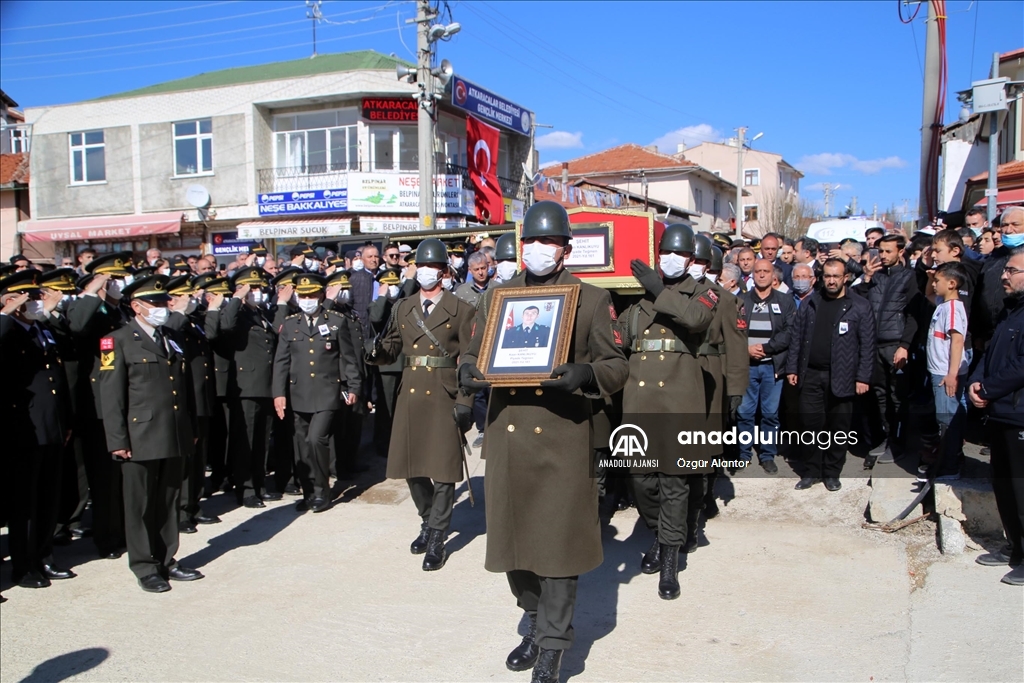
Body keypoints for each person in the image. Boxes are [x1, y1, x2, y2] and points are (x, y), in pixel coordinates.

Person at [459, 202, 628, 683]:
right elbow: (471, 353)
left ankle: (554, 642)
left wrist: (586, 373)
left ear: (566, 249)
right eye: (530, 240)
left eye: (548, 241)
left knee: (556, 547)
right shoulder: (498, 297)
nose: (537, 249)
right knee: (514, 544)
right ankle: (532, 618)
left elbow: (617, 366)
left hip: (561, 438)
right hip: (507, 436)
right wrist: (468, 371)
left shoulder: (591, 299)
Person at [619, 224, 720, 600]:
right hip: (641, 401)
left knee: (675, 482)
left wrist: (659, 290)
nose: (671, 260)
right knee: (641, 480)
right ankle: (662, 534)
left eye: (680, 254)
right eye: (665, 253)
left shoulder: (704, 293)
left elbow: (697, 321)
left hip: (679, 401)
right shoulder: (638, 293)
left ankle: (669, 560)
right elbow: (622, 336)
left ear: (692, 259)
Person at [367, 239, 475, 571]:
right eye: (421, 265)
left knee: (443, 472)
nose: (425, 271)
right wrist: (376, 352)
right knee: (412, 467)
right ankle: (428, 520)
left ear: (443, 272)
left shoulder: (462, 310)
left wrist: (466, 401)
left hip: (443, 393)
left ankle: (438, 537)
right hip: (411, 392)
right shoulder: (403, 306)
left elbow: (470, 360)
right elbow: (393, 347)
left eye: (432, 266)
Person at [98, 274, 203, 593]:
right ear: (136, 306)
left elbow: (183, 388)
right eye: (155, 303)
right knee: (140, 503)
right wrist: (117, 440)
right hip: (138, 435)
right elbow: (111, 395)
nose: (163, 307)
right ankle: (144, 565)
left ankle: (167, 558)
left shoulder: (170, 336)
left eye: (163, 301)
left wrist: (191, 427)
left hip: (172, 432)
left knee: (169, 499)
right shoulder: (114, 341)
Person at [1, 269, 76, 588]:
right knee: (25, 503)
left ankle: (44, 555)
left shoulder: (42, 329)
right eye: (29, 297)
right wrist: (4, 313)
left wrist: (67, 420)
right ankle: (24, 565)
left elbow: (59, 378)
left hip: (53, 424)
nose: (37, 301)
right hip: (24, 427)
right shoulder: (8, 330)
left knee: (49, 497)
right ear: (10, 300)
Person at [273, 273, 361, 512]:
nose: (307, 299)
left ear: (322, 295)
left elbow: (348, 358)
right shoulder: (291, 324)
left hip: (327, 392)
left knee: (316, 439)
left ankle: (322, 491)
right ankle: (309, 491)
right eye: (302, 295)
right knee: (301, 444)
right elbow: (281, 361)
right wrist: (278, 394)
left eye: (311, 294)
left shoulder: (336, 321)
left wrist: (353, 386)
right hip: (297, 392)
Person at [787, 259, 876, 491]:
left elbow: (867, 345)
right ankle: (812, 471)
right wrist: (792, 368)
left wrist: (863, 377)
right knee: (810, 426)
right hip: (811, 376)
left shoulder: (859, 305)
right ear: (821, 277)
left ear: (845, 277)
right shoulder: (811, 303)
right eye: (827, 276)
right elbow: (797, 337)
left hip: (843, 376)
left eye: (836, 276)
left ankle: (832, 472)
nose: (832, 280)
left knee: (839, 428)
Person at [968, 246, 1024, 586]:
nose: (1004, 275)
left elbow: (1021, 367)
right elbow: (989, 356)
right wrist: (976, 382)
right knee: (1003, 485)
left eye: (1012, 270)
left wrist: (987, 389)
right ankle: (1014, 547)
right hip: (1000, 414)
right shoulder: (1010, 313)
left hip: (1019, 414)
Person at [207, 266, 277, 508]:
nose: (258, 292)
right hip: (246, 386)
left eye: (259, 287)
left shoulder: (260, 313)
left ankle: (259, 484)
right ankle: (245, 489)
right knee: (244, 441)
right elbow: (224, 326)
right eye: (253, 288)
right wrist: (237, 297)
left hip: (265, 385)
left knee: (261, 441)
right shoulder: (237, 313)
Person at [165, 276, 222, 532]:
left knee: (199, 458)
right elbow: (171, 334)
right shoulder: (171, 322)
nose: (190, 300)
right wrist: (177, 312)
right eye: (184, 296)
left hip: (202, 397)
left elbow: (210, 334)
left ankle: (194, 505)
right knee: (186, 460)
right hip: (187, 399)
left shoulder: (192, 320)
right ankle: (181, 512)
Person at [856, 234, 918, 466]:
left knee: (897, 396)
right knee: (880, 395)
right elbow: (861, 303)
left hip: (895, 345)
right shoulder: (877, 276)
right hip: (874, 345)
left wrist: (904, 345)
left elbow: (913, 315)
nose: (883, 256)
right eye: (880, 251)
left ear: (900, 252)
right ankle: (887, 438)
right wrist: (867, 279)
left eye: (888, 251)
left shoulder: (910, 277)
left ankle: (899, 443)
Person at [738, 258, 795, 473]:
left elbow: (790, 331)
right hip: (747, 365)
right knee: (745, 412)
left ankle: (767, 454)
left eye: (766, 271)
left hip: (773, 366)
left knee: (770, 413)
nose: (762, 275)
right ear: (752, 275)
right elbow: (734, 333)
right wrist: (746, 349)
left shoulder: (784, 301)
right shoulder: (741, 301)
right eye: (758, 271)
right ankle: (743, 453)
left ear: (774, 276)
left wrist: (768, 347)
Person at [917, 262, 971, 483]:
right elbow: (929, 294)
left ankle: (949, 466)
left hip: (945, 372)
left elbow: (957, 341)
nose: (935, 284)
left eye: (939, 280)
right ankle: (951, 458)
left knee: (947, 419)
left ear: (952, 283)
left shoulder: (952, 309)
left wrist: (951, 374)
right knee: (949, 416)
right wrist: (931, 276)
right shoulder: (942, 303)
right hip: (940, 370)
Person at [974, 206, 1024, 351]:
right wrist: (979, 333)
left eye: (1015, 225)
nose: (1008, 230)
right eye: (1004, 225)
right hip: (989, 335)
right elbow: (980, 294)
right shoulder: (993, 257)